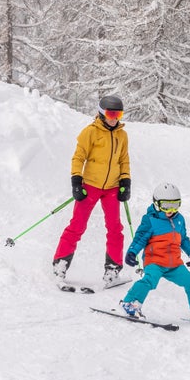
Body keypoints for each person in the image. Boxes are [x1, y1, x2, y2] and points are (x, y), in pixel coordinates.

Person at [53, 95, 131, 286]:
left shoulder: (122, 135)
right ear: (102, 113)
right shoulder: (90, 132)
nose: (115, 118)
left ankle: (112, 270)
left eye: (118, 114)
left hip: (112, 187)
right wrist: (76, 181)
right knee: (77, 226)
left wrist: (125, 182)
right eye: (111, 113)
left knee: (115, 229)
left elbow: (124, 160)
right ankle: (60, 264)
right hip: (90, 186)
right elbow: (78, 157)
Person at [120, 182, 190, 322]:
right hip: (155, 261)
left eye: (175, 205)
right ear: (157, 204)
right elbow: (140, 238)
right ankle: (130, 303)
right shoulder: (150, 220)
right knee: (149, 281)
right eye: (166, 205)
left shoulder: (179, 219)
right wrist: (132, 252)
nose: (171, 210)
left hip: (174, 263)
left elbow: (184, 239)